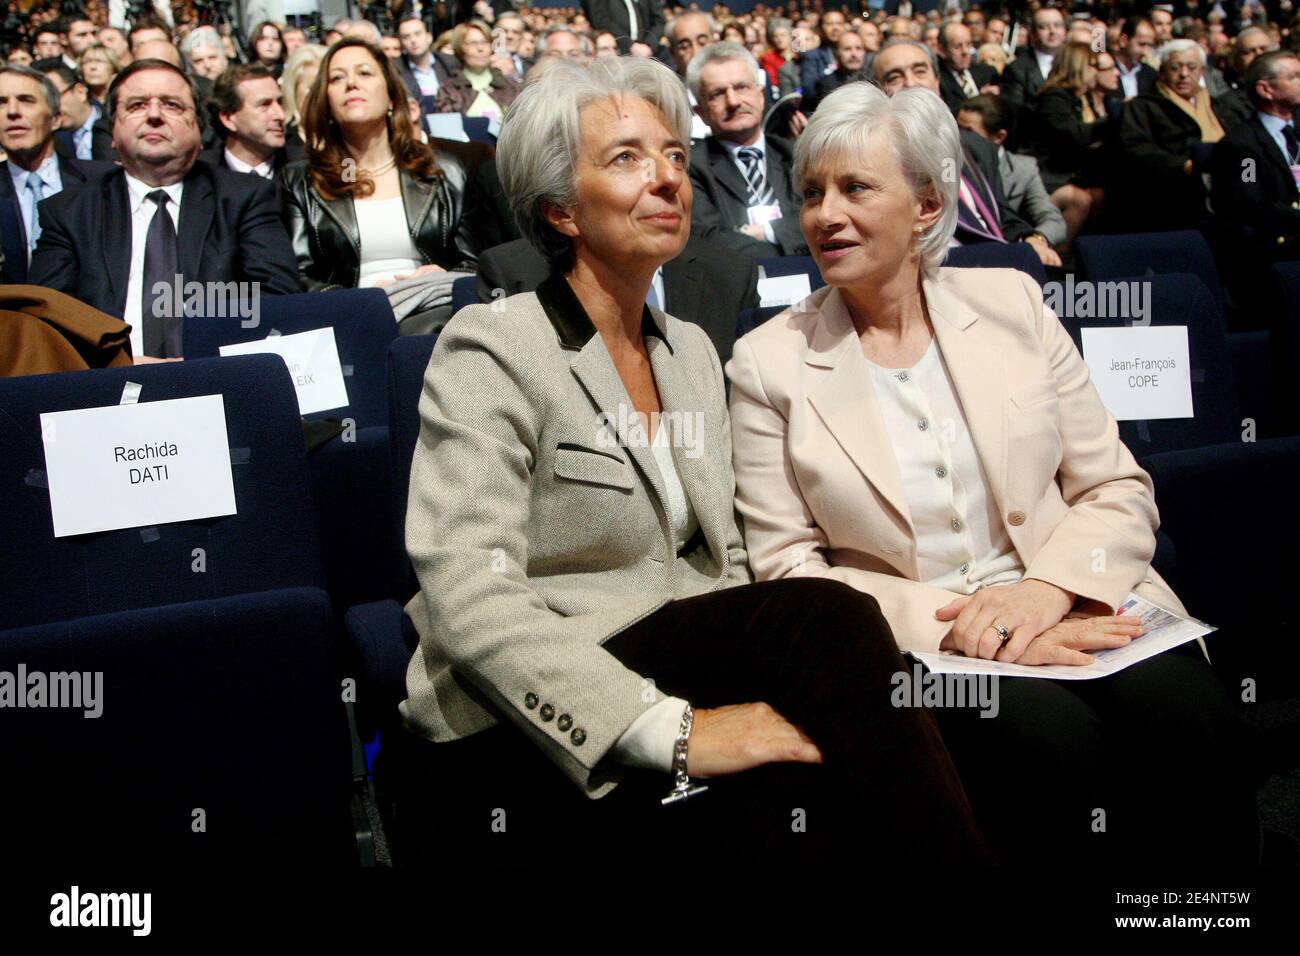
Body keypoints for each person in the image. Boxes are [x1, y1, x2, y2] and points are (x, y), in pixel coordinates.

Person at [390, 54, 993, 862]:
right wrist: (668, 729)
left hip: (684, 647)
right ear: (561, 210)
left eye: (676, 155)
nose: (669, 178)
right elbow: (470, 593)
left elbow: (730, 557)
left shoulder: (693, 352)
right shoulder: (491, 348)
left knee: (837, 737)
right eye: (628, 158)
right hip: (538, 690)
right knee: (828, 616)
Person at [726, 80, 1262, 868]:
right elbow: (788, 568)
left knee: (1195, 721)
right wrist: (972, 622)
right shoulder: (767, 361)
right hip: (923, 649)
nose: (824, 215)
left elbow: (1114, 486)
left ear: (927, 205)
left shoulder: (1012, 303)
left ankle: (1195, 922)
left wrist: (1046, 593)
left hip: (1076, 601)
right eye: (811, 193)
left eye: (855, 188)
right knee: (1052, 747)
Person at [29, 58, 301, 358]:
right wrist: (120, 364)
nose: (155, 115)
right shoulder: (69, 212)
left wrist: (200, 362)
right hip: (107, 387)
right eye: (137, 105)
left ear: (199, 127)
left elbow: (277, 301)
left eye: (172, 105)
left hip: (216, 377)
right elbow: (46, 320)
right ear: (113, 129)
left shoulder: (244, 198)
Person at [278, 38, 477, 329]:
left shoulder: (444, 170)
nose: (351, 84)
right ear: (327, 102)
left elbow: (472, 263)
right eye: (337, 78)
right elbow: (301, 275)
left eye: (365, 73)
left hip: (439, 313)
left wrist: (443, 274)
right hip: (351, 320)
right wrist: (363, 301)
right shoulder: (300, 180)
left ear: (391, 96)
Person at [871, 38, 1052, 264]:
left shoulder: (976, 146)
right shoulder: (872, 159)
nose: (910, 83)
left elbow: (1001, 217)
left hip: (1003, 266)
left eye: (920, 71)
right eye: (894, 77)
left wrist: (1031, 237)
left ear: (937, 81)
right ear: (877, 91)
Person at [686, 43, 806, 258]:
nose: (733, 101)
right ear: (701, 112)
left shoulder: (795, 154)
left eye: (741, 87)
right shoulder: (691, 166)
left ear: (761, 96)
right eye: (718, 94)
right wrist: (787, 239)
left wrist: (766, 231)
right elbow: (707, 240)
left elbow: (821, 221)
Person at [0, 65, 111, 282]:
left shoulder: (102, 182)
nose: (13, 111)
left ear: (55, 119)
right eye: (1, 102)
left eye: (26, 100)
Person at [1117, 39, 1235, 232]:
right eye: (1175, 68)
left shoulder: (1220, 106)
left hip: (1227, 178)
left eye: (1191, 67)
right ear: (1162, 71)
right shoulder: (1143, 106)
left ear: (1202, 71)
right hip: (1175, 186)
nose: (1184, 75)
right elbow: (1135, 148)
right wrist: (1182, 165)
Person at [1211, 50, 1300, 259]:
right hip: (1279, 246)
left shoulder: (1296, 131)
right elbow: (1251, 202)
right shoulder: (1243, 148)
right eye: (1293, 77)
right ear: (1265, 89)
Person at [1026, 41, 1116, 240]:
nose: (1096, 72)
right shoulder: (1054, 98)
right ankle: (1061, 257)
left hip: (1074, 174)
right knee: (1081, 200)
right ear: (1078, 66)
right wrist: (1116, 118)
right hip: (1049, 178)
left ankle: (1087, 250)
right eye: (1092, 66)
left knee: (1105, 193)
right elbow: (1075, 135)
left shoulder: (1083, 98)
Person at [958, 94, 1067, 248]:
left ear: (999, 136)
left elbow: (1053, 220)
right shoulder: (954, 167)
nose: (960, 137)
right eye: (957, 128)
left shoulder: (1023, 169)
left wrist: (1036, 240)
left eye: (968, 131)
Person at [201, 63, 301, 178]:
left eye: (279, 102)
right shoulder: (201, 173)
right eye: (265, 105)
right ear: (228, 118)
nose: (280, 115)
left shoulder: (306, 167)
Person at [433, 21, 521, 122]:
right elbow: (445, 131)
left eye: (485, 42)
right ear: (460, 48)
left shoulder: (510, 87)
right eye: (473, 43)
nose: (480, 48)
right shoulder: (449, 90)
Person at [1001, 5, 1064, 110]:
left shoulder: (1076, 62)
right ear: (1033, 33)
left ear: (1065, 31)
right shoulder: (1016, 69)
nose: (1052, 31)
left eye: (1057, 25)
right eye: (1043, 26)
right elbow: (1015, 112)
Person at [936, 20, 997, 113]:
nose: (965, 51)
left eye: (968, 45)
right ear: (942, 50)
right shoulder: (937, 80)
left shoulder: (988, 73)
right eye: (957, 46)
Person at [580, 0, 665, 55]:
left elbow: (659, 20)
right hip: (617, 52)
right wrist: (629, 45)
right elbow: (600, 19)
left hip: (648, 52)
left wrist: (648, 45)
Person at [1114, 17, 1158, 100]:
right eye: (1142, 44)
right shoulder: (1106, 70)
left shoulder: (1151, 75)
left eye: (1150, 46)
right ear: (1123, 40)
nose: (1146, 51)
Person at [79, 43, 121, 107]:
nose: (93, 67)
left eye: (99, 61)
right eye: (87, 62)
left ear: (113, 67)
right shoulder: (78, 101)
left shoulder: (121, 98)